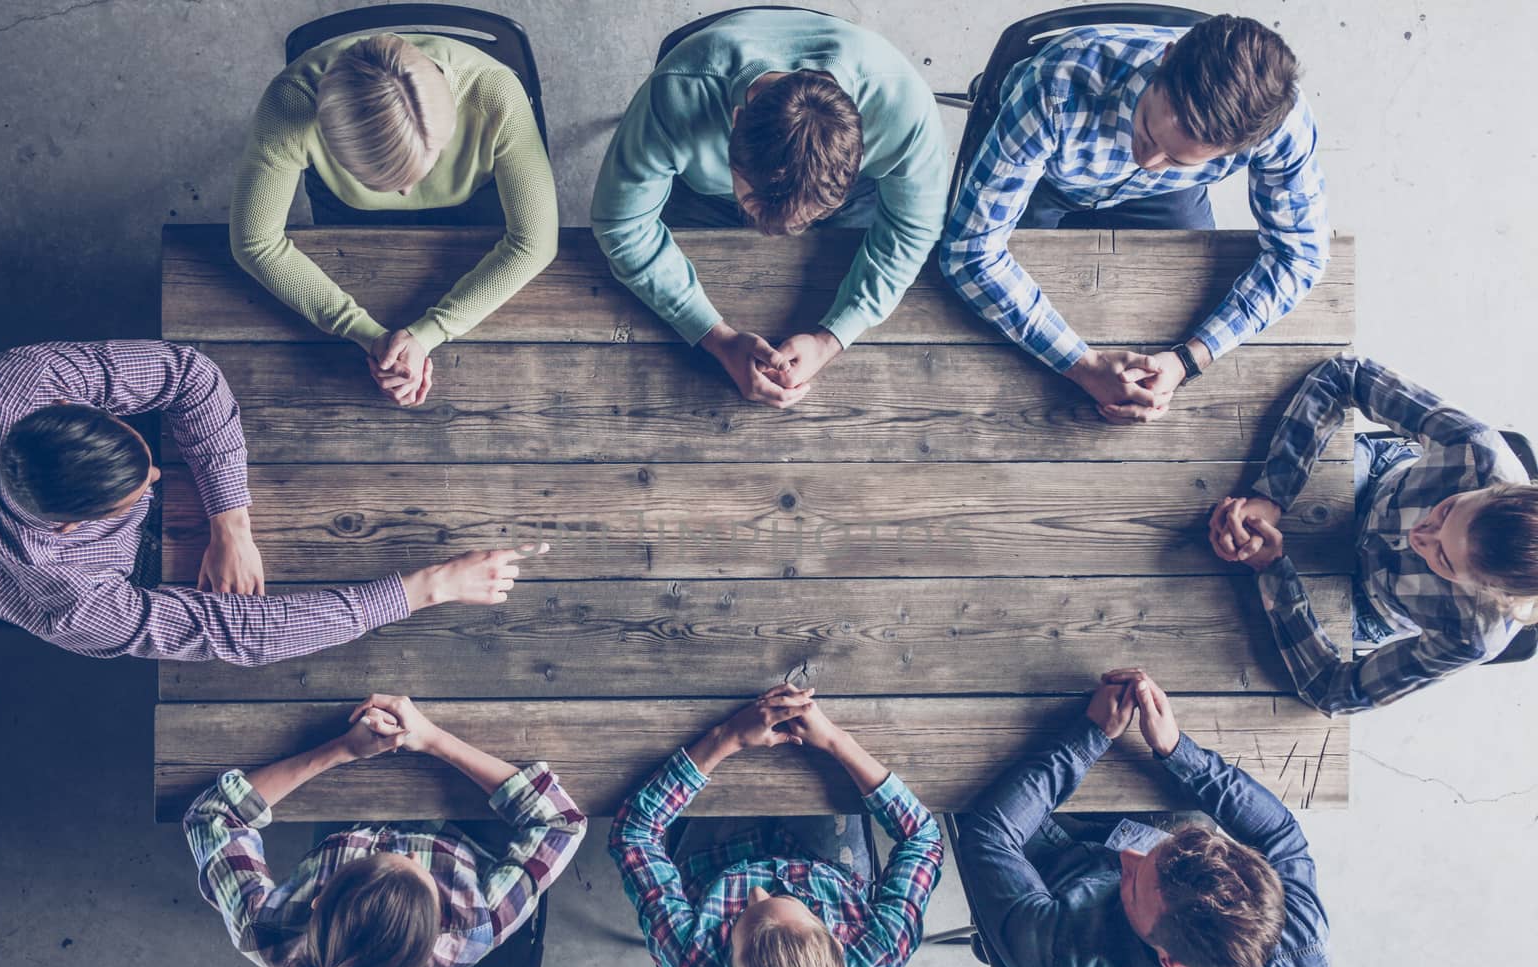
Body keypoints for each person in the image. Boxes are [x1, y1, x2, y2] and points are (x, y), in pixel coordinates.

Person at [0, 339, 548, 661]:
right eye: (136, 491)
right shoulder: (64, 600)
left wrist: (230, 522)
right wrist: (427, 588)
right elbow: (237, 635)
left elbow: (190, 376)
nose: (154, 476)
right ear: (73, 528)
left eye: (141, 460)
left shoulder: (18, 378)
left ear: (73, 408)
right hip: (118, 573)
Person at [942, 15, 1329, 423]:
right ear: (1165, 58)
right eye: (1146, 129)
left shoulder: (1279, 127)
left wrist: (1187, 360)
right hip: (1049, 180)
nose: (1147, 160)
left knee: (1176, 292)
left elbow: (1300, 257)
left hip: (1164, 194)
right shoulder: (1055, 84)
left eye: (1177, 158)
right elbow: (969, 251)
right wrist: (1082, 364)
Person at [591, 8, 948, 410]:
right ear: (736, 120)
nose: (773, 233)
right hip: (708, 198)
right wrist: (717, 338)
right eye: (753, 204)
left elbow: (912, 230)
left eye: (801, 221)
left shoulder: (905, 106)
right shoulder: (676, 94)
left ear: (862, 153)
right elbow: (621, 225)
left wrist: (831, 339)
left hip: (849, 198)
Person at [955, 668, 1329, 967]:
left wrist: (1091, 737)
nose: (1127, 857)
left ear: (1170, 963)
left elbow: (988, 837)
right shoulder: (1301, 947)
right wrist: (1178, 750)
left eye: (1134, 886)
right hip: (1105, 899)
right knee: (1185, 800)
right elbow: (1280, 833)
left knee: (968, 774)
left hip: (1056, 891)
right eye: (1152, 855)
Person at [184, 693, 586, 967]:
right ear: (438, 924)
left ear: (319, 900)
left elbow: (212, 817)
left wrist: (340, 750)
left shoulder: (267, 931)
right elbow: (560, 822)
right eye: (421, 871)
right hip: (456, 815)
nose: (411, 853)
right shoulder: (472, 927)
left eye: (382, 858)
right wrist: (431, 739)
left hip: (347, 797)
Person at [609, 684, 942, 967]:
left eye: (741, 923)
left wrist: (725, 737)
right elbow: (923, 838)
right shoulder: (877, 955)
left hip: (716, 854)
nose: (757, 892)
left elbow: (633, 834)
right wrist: (835, 740)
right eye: (787, 905)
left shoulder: (692, 961)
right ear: (835, 943)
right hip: (825, 858)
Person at [231, 32, 559, 407]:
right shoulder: (290, 101)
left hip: (475, 194)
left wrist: (427, 334)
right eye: (381, 178)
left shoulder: (496, 93)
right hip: (350, 208)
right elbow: (255, 242)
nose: (406, 193)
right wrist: (367, 333)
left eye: (429, 157)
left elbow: (536, 241)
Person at [1210, 356, 1535, 713]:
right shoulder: (1476, 449)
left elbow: (1332, 691)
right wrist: (1273, 495)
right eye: (1448, 509)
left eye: (1443, 558)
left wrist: (1272, 571)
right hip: (1371, 483)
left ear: (1492, 593)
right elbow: (1344, 375)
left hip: (1368, 603)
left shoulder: (1474, 636)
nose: (1420, 535)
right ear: (1492, 488)